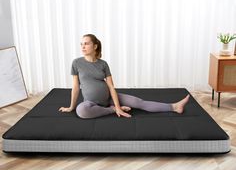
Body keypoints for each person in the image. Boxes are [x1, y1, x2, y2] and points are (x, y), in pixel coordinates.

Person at [59, 34, 190, 118]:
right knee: (81, 111)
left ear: (95, 46)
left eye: (86, 43)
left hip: (109, 98)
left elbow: (111, 87)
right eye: (81, 44)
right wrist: (71, 107)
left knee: (138, 102)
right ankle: (110, 110)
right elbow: (76, 87)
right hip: (90, 102)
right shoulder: (76, 63)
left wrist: (116, 105)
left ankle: (174, 106)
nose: (83, 46)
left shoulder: (103, 64)